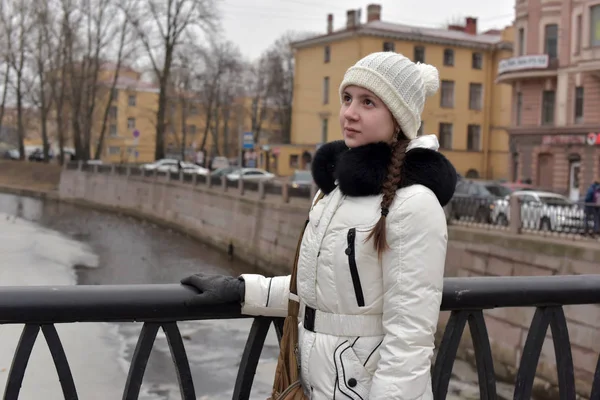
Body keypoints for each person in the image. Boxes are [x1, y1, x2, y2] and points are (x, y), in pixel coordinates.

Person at [181, 52, 457, 399]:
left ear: (399, 118)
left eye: (368, 102)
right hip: (317, 383)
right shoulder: (337, 191)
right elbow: (321, 295)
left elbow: (410, 340)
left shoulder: (414, 204)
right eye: (347, 98)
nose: (349, 113)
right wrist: (244, 291)